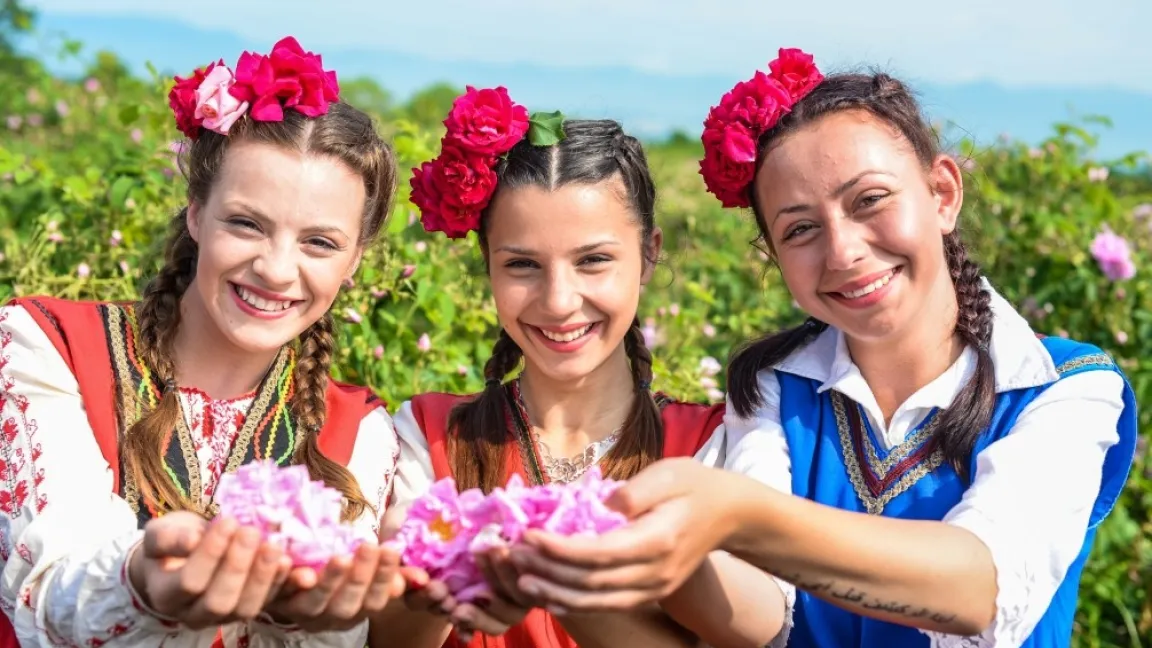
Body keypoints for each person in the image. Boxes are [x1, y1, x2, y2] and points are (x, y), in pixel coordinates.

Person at [500, 48, 1139, 647]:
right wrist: (636, 558)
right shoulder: (773, 386)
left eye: (870, 201)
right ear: (774, 256)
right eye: (800, 228)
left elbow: (982, 588)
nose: (844, 252)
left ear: (942, 193)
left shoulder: (1066, 387)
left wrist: (737, 514)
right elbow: (764, 618)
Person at [0, 36, 407, 647]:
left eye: (319, 243)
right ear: (196, 215)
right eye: (246, 223)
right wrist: (142, 583)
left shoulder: (360, 433)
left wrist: (300, 612)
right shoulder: (50, 349)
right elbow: (50, 589)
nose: (275, 268)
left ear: (354, 260)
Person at [369, 87, 788, 648]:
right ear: (487, 265)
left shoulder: (715, 446)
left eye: (593, 261)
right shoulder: (429, 437)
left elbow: (759, 628)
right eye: (522, 264)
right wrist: (437, 581)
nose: (559, 301)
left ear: (649, 255)